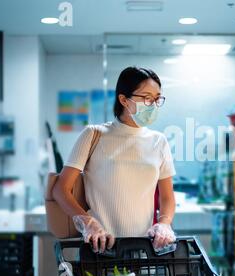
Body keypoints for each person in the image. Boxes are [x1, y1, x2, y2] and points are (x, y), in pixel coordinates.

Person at [53, 67, 176, 253]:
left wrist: (165, 224)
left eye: (157, 98)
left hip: (144, 250)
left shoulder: (159, 141)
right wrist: (88, 223)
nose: (153, 104)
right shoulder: (94, 134)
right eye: (146, 98)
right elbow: (60, 190)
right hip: (101, 248)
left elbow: (167, 196)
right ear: (123, 99)